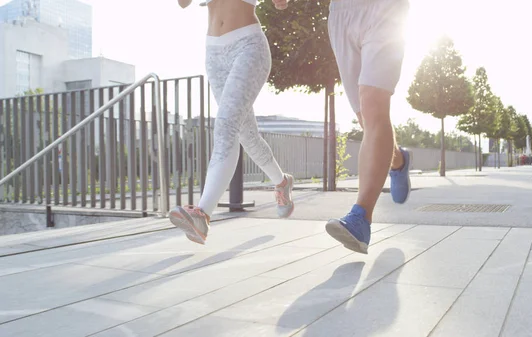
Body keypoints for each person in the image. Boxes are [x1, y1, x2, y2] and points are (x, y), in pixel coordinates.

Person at [169, 0, 294, 245]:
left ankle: (202, 215)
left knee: (226, 125)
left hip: (248, 45)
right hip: (214, 52)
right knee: (247, 135)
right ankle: (282, 182)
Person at [325, 0, 411, 254]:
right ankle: (396, 160)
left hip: (386, 9)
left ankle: (361, 217)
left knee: (373, 104)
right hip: (342, 12)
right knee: (367, 120)